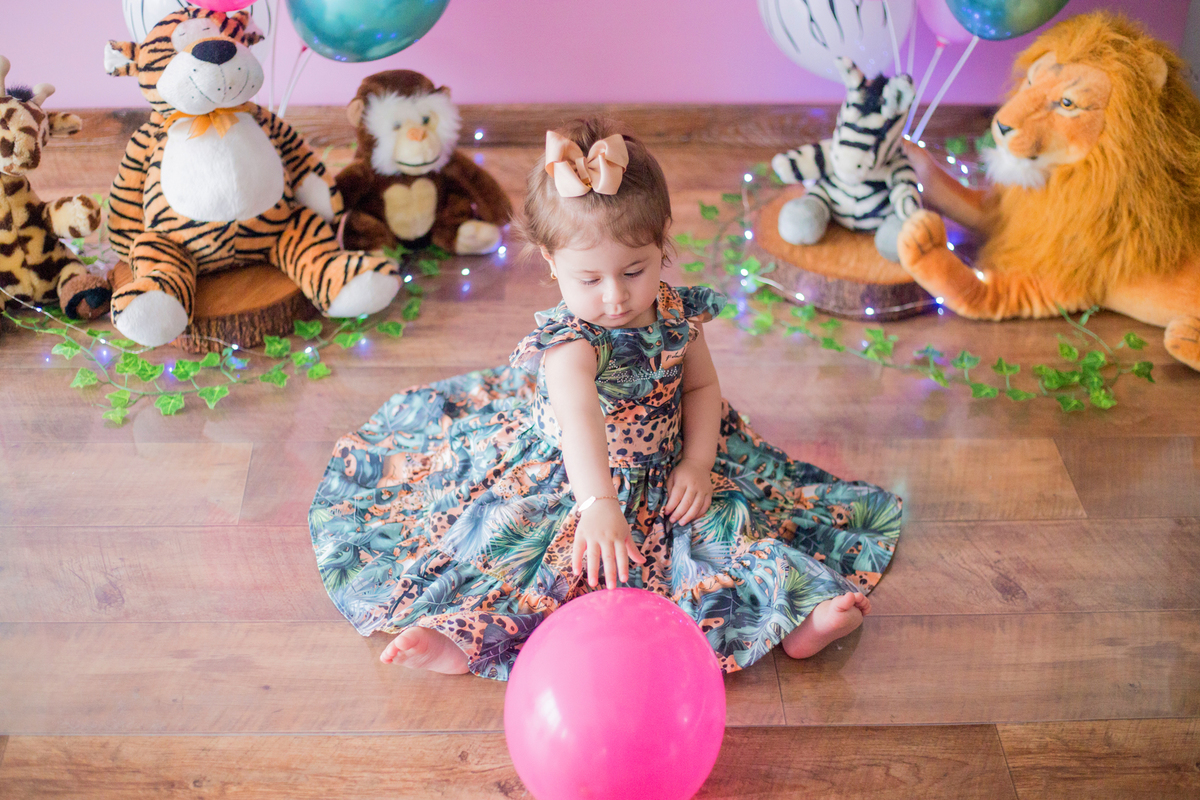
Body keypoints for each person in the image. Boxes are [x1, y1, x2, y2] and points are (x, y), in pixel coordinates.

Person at [309, 118, 901, 679]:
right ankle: (461, 637)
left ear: (662, 243)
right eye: (589, 279)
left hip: (673, 462)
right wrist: (597, 503)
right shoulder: (571, 345)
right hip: (576, 473)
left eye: (635, 270)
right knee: (533, 550)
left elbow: (700, 386)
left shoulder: (676, 312)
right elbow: (580, 423)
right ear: (551, 261)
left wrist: (696, 462)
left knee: (731, 523)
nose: (616, 297)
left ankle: (798, 617)